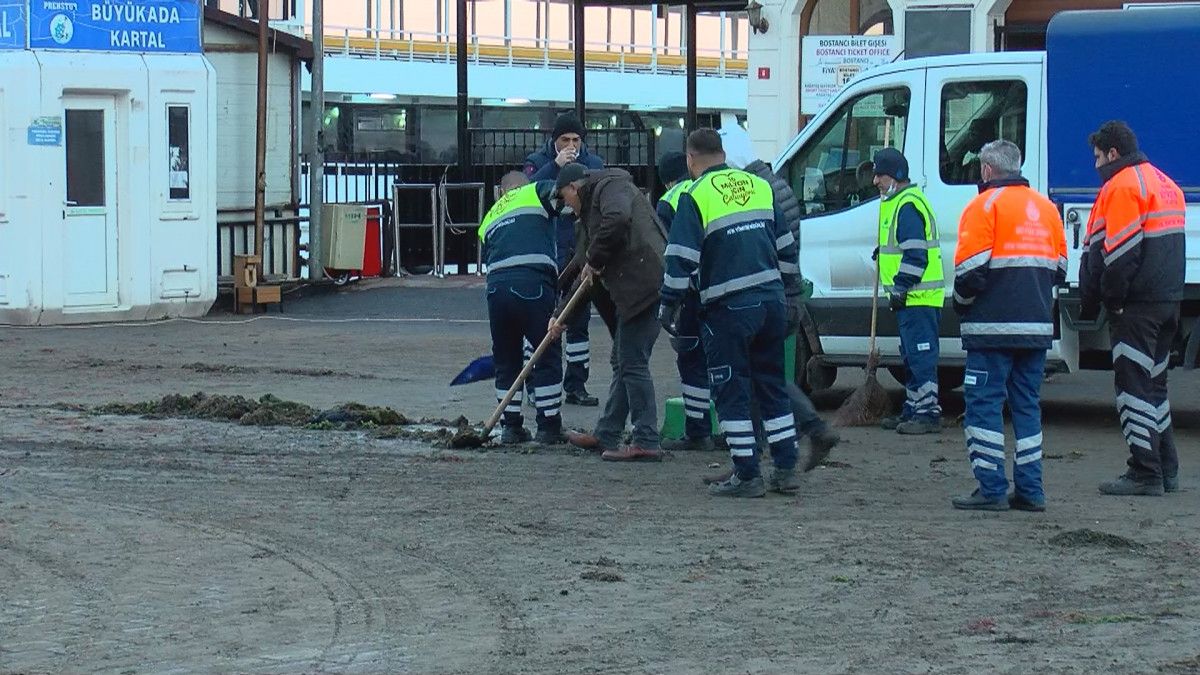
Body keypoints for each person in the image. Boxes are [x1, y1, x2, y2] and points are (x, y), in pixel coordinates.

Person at [659, 129, 803, 498]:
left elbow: (681, 258)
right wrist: (788, 293)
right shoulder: (759, 186)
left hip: (729, 308)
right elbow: (786, 247)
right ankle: (786, 468)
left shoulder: (695, 195)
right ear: (723, 153)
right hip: (771, 301)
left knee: (731, 390)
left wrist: (668, 304)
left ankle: (747, 473)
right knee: (771, 386)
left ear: (691, 160)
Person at [949, 140, 1066, 512]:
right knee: (1027, 407)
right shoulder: (1046, 209)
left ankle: (991, 488)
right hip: (1035, 326)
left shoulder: (982, 207)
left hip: (991, 328)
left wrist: (962, 307)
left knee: (982, 405)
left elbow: (969, 274)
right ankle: (1031, 491)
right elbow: (1060, 270)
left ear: (986, 170)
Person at [1079, 121, 1186, 497]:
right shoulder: (1166, 184)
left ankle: (1145, 472)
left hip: (1137, 308)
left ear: (1112, 154)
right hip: (1168, 303)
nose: (1094, 167)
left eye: (1097, 158)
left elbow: (1120, 254)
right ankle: (1166, 468)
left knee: (1132, 389)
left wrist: (1110, 302)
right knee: (1154, 387)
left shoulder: (1122, 187)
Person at [553, 163, 667, 462]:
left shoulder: (610, 187)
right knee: (623, 359)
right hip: (634, 290)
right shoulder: (590, 216)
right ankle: (607, 433)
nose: (565, 204)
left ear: (574, 188)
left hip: (647, 284)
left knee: (631, 360)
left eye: (564, 197)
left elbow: (617, 221)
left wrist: (595, 257)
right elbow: (583, 270)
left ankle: (646, 439)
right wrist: (560, 315)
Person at [477, 171, 567, 445]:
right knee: (547, 353)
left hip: (496, 290)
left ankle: (511, 427)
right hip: (532, 282)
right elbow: (564, 193)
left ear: (501, 192)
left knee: (506, 359)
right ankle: (548, 425)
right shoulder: (536, 191)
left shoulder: (489, 217)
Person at [524, 112, 605, 407]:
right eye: (565, 140)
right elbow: (527, 193)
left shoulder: (593, 165)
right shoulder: (537, 161)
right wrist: (554, 166)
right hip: (549, 251)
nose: (571, 145)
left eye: (576, 139)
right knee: (542, 321)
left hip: (579, 251)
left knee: (579, 323)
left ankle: (576, 385)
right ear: (554, 141)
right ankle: (536, 384)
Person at [873, 148, 946, 435]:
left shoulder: (907, 206)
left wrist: (901, 287)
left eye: (880, 174)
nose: (875, 180)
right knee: (911, 356)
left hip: (919, 298)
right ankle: (914, 408)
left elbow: (917, 255)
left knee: (920, 355)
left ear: (896, 176)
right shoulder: (899, 203)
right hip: (913, 298)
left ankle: (927, 413)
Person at [654, 151, 713, 452]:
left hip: (692, 291)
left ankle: (698, 429)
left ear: (666, 181)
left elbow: (672, 253)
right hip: (724, 289)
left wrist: (669, 301)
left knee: (691, 358)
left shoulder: (670, 200)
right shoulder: (714, 187)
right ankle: (740, 432)